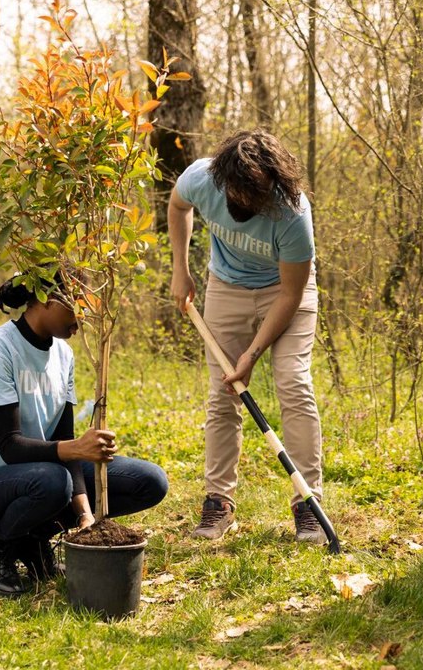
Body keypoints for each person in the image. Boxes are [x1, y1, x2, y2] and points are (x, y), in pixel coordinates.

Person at [0, 275, 169, 597]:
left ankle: (33, 539)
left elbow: (64, 440)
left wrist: (85, 518)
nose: (81, 322)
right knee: (52, 480)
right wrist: (77, 447)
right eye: (76, 310)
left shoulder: (64, 356)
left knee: (149, 481)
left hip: (43, 475)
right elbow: (10, 447)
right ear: (45, 299)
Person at [168, 129, 326, 544]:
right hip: (226, 288)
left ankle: (308, 503)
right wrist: (180, 268)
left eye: (249, 197)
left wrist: (252, 355)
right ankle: (219, 502)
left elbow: (291, 293)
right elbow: (178, 204)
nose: (238, 204)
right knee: (223, 393)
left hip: (286, 291)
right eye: (233, 194)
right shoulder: (203, 177)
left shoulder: (292, 213)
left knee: (293, 382)